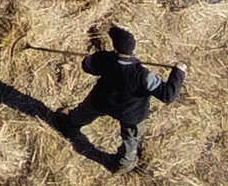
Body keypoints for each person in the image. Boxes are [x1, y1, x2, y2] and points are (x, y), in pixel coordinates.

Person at [61, 25, 185, 172]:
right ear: (132, 49)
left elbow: (87, 66)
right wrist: (179, 73)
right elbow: (168, 95)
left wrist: (95, 57)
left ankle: (69, 124)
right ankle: (122, 165)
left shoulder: (105, 59)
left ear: (115, 47)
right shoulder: (143, 75)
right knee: (131, 140)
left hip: (102, 101)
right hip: (131, 113)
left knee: (83, 113)